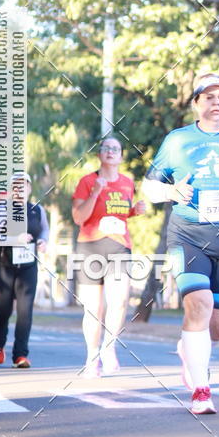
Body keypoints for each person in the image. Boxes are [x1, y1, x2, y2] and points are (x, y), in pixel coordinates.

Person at [142, 73, 219, 415]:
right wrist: (170, 191)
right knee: (198, 304)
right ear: (196, 103)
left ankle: (190, 349)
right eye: (208, 97)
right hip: (188, 234)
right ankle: (201, 390)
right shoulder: (177, 140)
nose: (216, 102)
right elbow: (149, 186)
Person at [72, 137, 146, 378]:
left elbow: (120, 213)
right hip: (91, 247)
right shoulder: (87, 182)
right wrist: (95, 192)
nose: (112, 152)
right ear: (99, 155)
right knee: (94, 308)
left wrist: (135, 211)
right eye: (107, 148)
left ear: (121, 156)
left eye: (116, 149)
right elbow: (79, 217)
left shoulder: (127, 182)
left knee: (121, 301)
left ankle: (109, 346)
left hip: (118, 246)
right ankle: (91, 356)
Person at [0, 174, 49, 368]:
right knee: (4, 311)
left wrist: (43, 241)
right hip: (3, 266)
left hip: (28, 267)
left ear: (30, 189)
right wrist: (15, 239)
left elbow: (45, 230)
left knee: (25, 312)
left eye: (25, 186)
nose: (20, 190)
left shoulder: (38, 210)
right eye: (17, 186)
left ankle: (20, 355)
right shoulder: (2, 209)